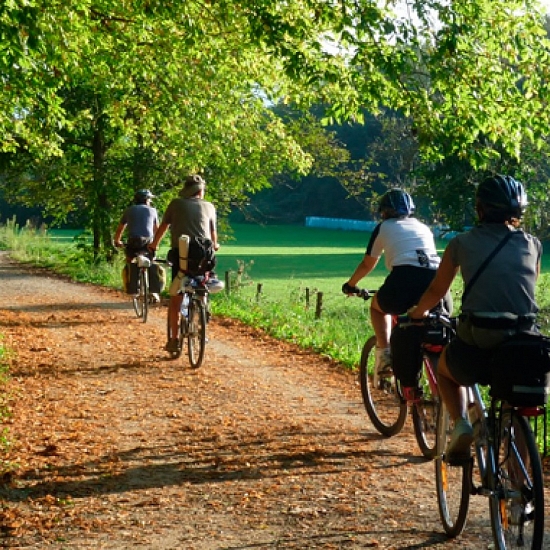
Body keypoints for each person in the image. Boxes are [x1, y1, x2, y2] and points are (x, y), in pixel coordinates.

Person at [408, 175, 541, 460]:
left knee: (445, 370)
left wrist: (417, 313)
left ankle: (462, 425)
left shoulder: (461, 243)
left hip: (479, 334)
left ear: (479, 208)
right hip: (522, 337)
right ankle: (522, 495)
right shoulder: (533, 244)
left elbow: (437, 289)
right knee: (515, 406)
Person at [342, 188, 451, 382]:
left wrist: (351, 284)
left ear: (383, 211)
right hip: (437, 281)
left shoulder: (384, 227)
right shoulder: (423, 227)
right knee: (435, 326)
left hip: (404, 278)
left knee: (377, 307)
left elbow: (369, 263)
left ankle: (384, 354)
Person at [149, 174, 220, 354]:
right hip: (204, 257)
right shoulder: (210, 207)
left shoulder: (176, 204)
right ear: (201, 191)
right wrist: (215, 245)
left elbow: (163, 228)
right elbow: (214, 236)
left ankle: (173, 340)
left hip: (182, 257)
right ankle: (202, 310)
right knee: (204, 280)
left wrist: (153, 246)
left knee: (176, 299)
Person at [114, 189, 162, 302]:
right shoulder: (153, 211)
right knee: (152, 262)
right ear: (147, 200)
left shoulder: (129, 210)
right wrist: (155, 243)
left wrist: (117, 241)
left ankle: (133, 289)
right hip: (147, 242)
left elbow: (120, 228)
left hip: (133, 242)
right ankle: (154, 291)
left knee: (131, 261)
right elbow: (157, 230)